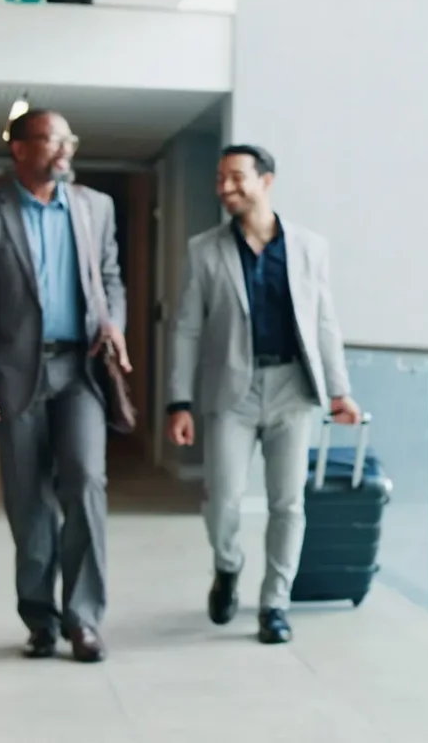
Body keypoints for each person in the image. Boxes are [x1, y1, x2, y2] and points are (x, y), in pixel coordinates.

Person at [0, 108, 130, 664]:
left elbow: (112, 277)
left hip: (80, 372)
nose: (63, 149)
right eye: (51, 140)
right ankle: (39, 617)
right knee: (28, 502)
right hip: (12, 375)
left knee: (86, 482)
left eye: (68, 139)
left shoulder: (96, 207)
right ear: (19, 149)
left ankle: (84, 619)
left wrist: (113, 322)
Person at [165, 144, 361, 645]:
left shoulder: (308, 247)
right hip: (233, 391)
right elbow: (187, 328)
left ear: (266, 181)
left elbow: (324, 323)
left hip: (294, 388)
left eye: (236, 177)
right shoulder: (204, 249)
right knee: (224, 501)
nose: (225, 188)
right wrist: (179, 401)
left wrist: (340, 392)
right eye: (219, 178)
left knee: (287, 504)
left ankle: (275, 603)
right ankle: (228, 566)